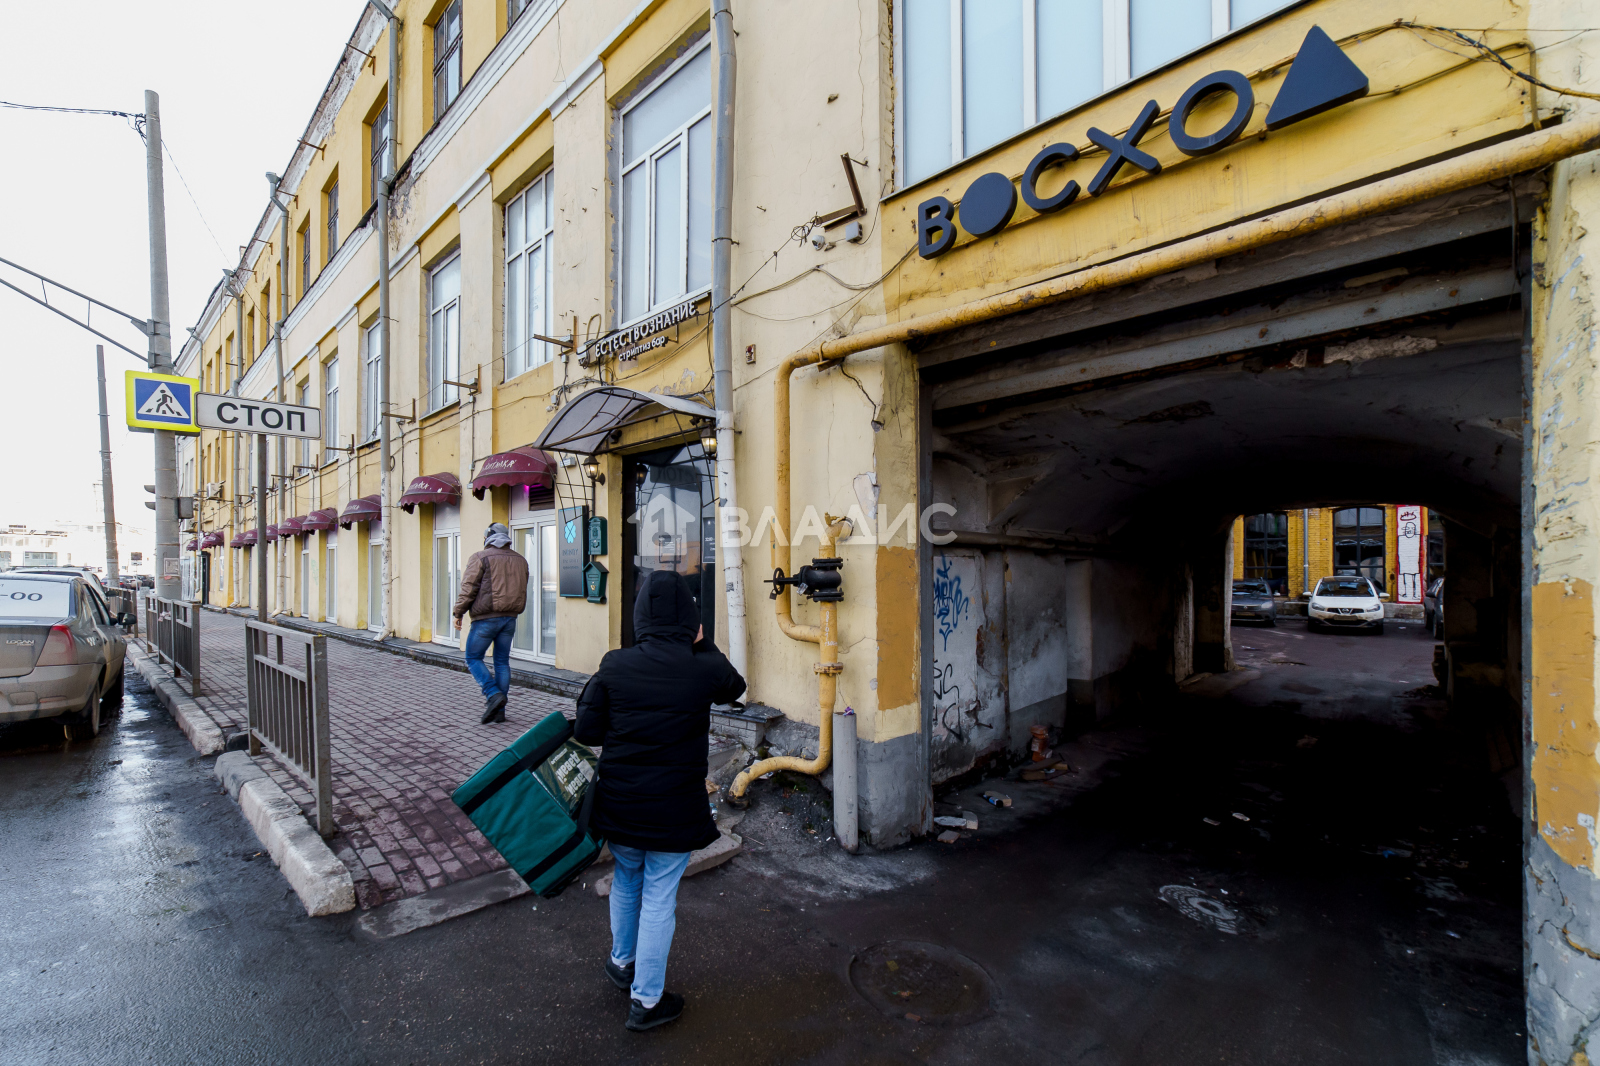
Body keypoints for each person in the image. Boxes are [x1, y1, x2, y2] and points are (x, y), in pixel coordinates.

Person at [575, 569, 745, 1031]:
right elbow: (736, 688)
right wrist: (702, 643)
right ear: (691, 620)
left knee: (627, 877)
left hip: (621, 803)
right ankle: (646, 1002)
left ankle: (621, 962)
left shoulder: (614, 664)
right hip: (674, 808)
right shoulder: (703, 666)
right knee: (658, 897)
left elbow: (586, 731)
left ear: (640, 617)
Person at [452, 522, 529, 724]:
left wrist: (458, 612)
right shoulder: (521, 560)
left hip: (486, 618)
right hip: (510, 618)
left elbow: (468, 587)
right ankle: (499, 712)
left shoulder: (480, 557)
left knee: (472, 657)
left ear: (488, 537)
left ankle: (492, 694)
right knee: (502, 662)